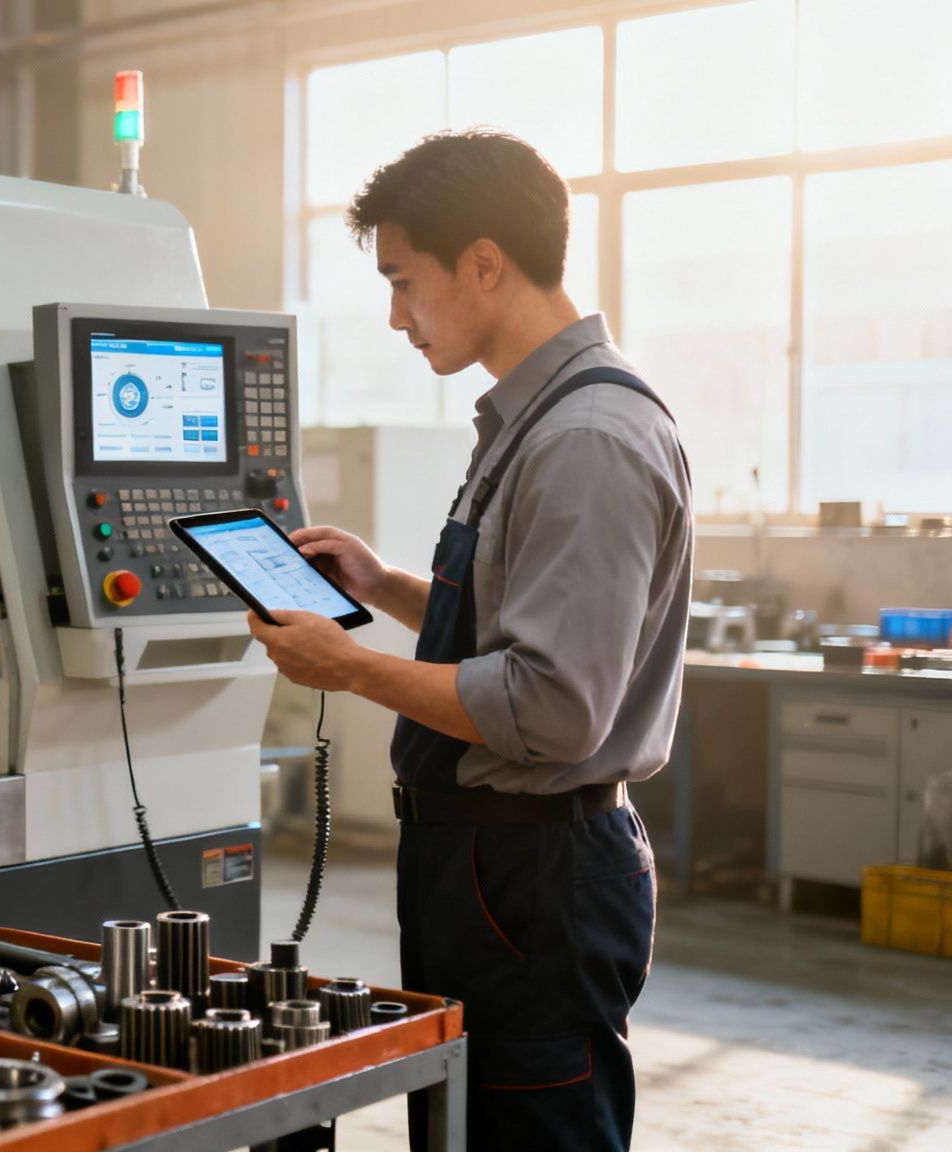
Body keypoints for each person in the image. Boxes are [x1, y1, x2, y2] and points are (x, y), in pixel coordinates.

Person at [249, 129, 691, 1150]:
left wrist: (348, 667)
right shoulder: (534, 421)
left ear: (482, 262)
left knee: (529, 1126)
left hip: (532, 874)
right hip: (490, 862)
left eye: (404, 281)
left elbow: (548, 706)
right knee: (470, 1120)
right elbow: (517, 621)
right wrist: (387, 586)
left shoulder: (584, 437)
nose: (395, 315)